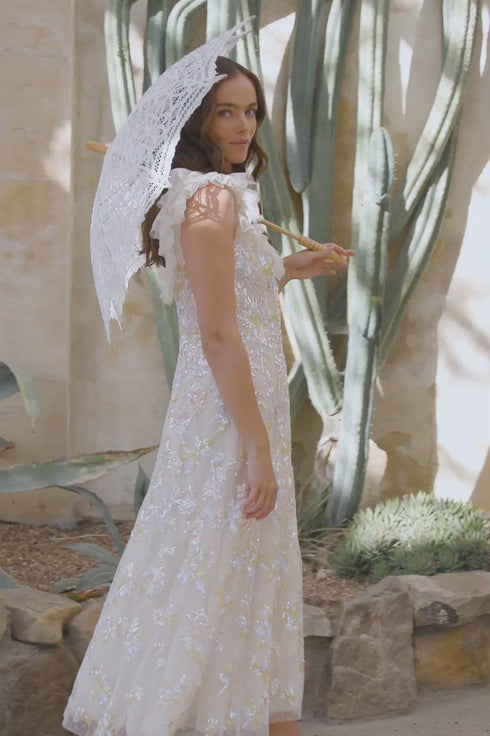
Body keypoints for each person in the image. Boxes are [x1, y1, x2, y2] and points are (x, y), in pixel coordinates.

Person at [63, 55, 353, 736]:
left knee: (225, 560)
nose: (244, 125)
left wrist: (287, 268)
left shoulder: (216, 196)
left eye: (250, 110)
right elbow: (218, 333)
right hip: (228, 412)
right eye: (226, 111)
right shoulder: (210, 200)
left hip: (238, 402)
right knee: (215, 556)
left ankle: (239, 714)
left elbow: (233, 295)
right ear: (197, 121)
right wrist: (257, 447)